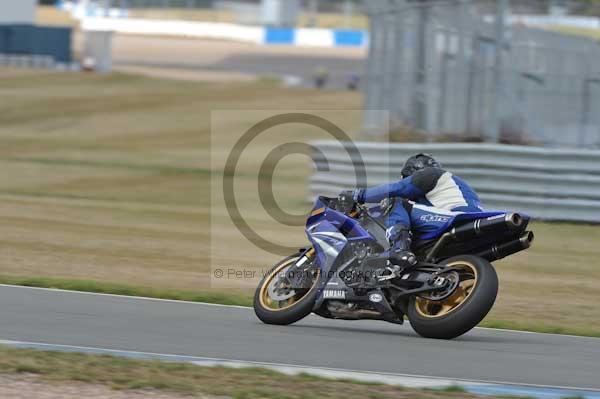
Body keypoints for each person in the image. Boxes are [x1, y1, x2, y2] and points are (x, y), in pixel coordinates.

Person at [338, 153, 483, 276]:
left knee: (395, 201)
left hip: (455, 218)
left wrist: (358, 195)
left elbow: (396, 188)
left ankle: (399, 249)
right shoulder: (449, 188)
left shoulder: (430, 174)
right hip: (466, 225)